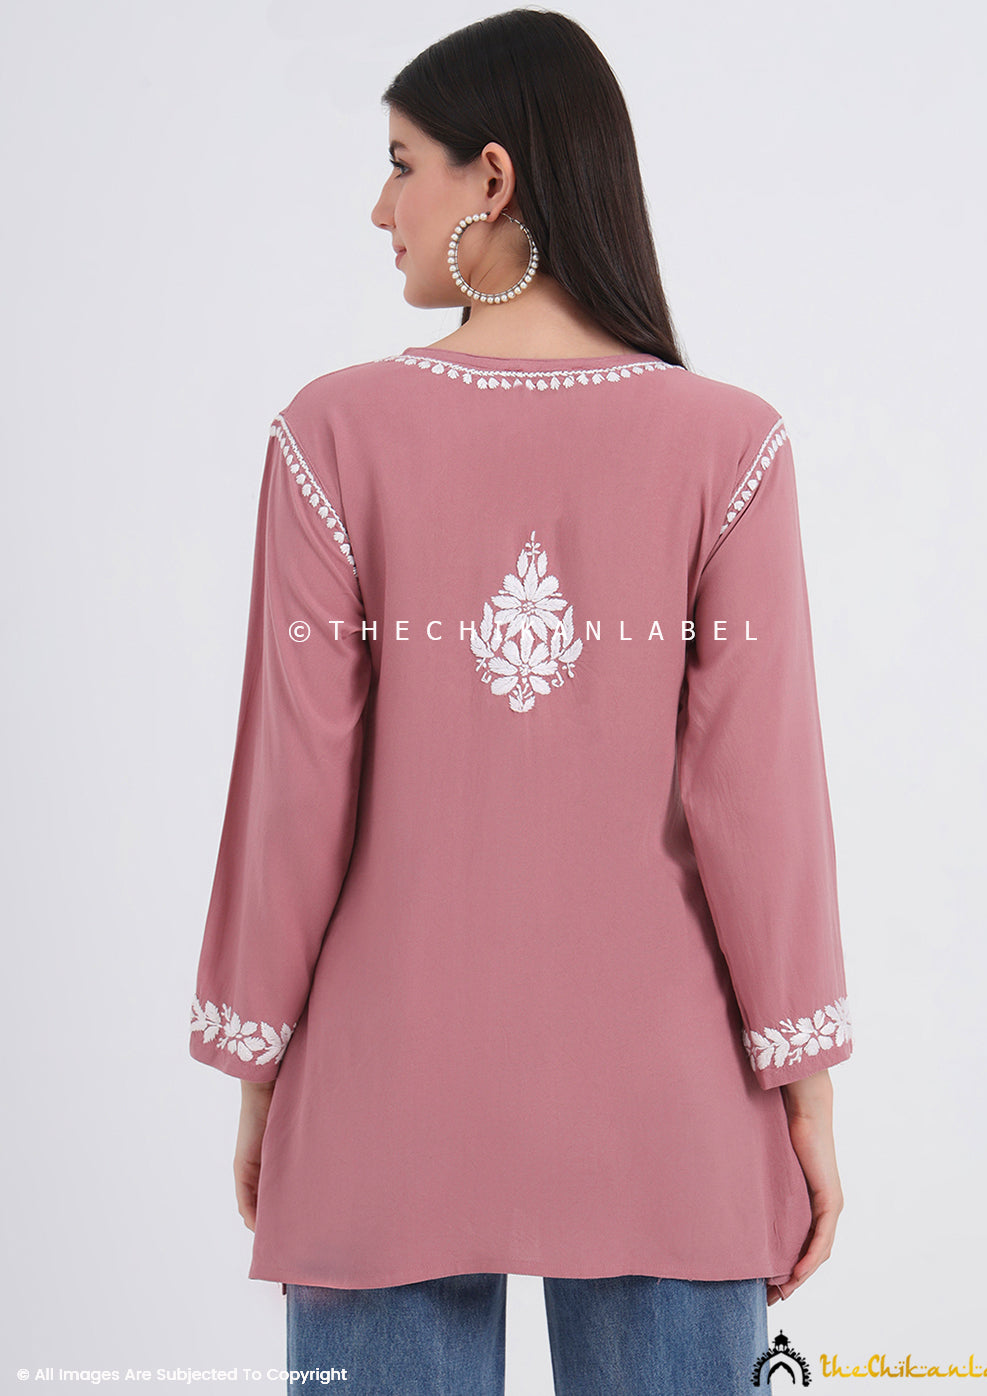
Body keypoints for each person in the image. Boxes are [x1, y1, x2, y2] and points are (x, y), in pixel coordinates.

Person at [189, 10, 853, 1394]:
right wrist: (807, 1095)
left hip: (382, 1104)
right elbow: (761, 807)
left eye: (401, 165)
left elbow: (294, 792)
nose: (380, 209)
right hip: (670, 1116)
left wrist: (263, 1070)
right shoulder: (728, 446)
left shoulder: (330, 437)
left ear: (490, 179)